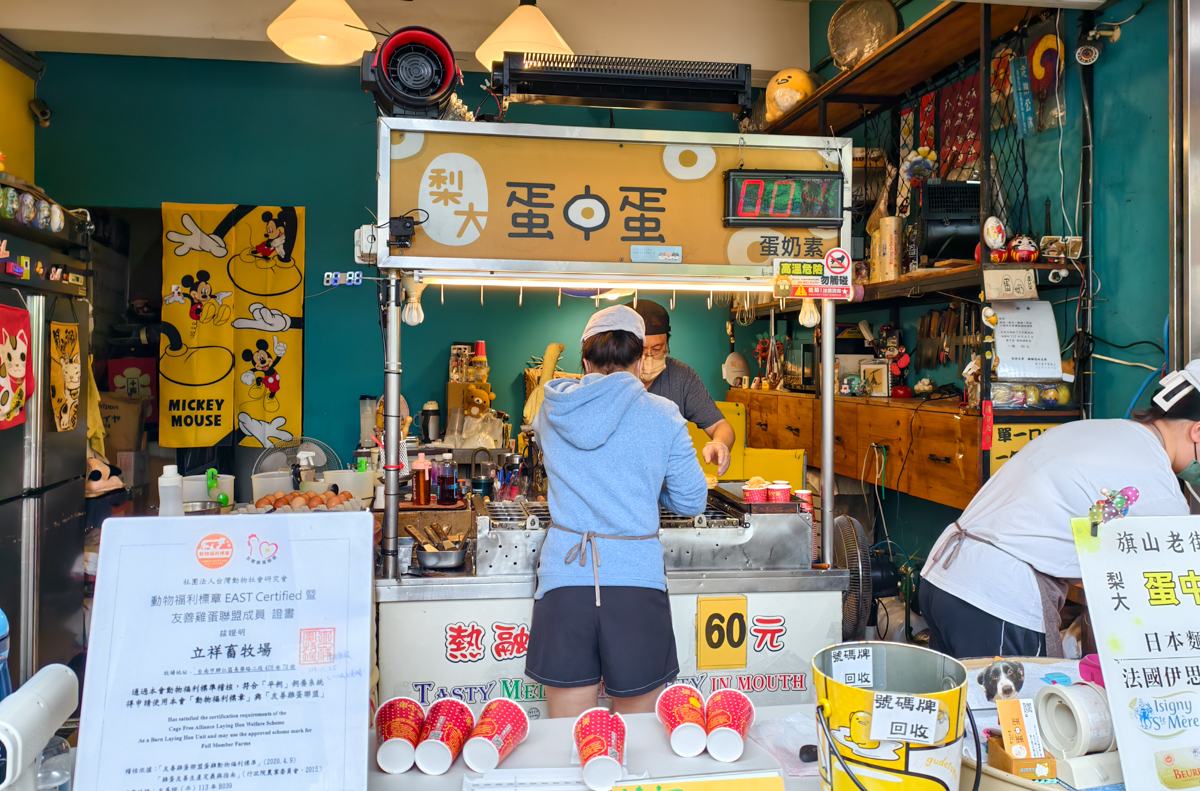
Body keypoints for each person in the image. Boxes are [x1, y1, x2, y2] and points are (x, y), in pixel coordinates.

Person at [919, 362, 1200, 659]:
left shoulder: (1105, 431)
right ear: (1197, 431)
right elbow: (1181, 587)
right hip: (997, 600)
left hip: (944, 579)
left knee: (961, 704)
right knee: (1015, 706)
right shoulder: (1154, 481)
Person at [525, 305, 708, 718]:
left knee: (566, 731)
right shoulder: (663, 415)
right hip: (635, 582)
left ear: (585, 360)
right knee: (638, 731)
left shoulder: (550, 411)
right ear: (642, 359)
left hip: (564, 582)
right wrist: (645, 486)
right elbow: (691, 500)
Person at [629, 300, 735, 476]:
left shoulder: (681, 377)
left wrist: (720, 444)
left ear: (667, 345)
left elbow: (721, 426)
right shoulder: (610, 377)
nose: (648, 357)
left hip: (668, 487)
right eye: (641, 350)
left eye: (656, 349)